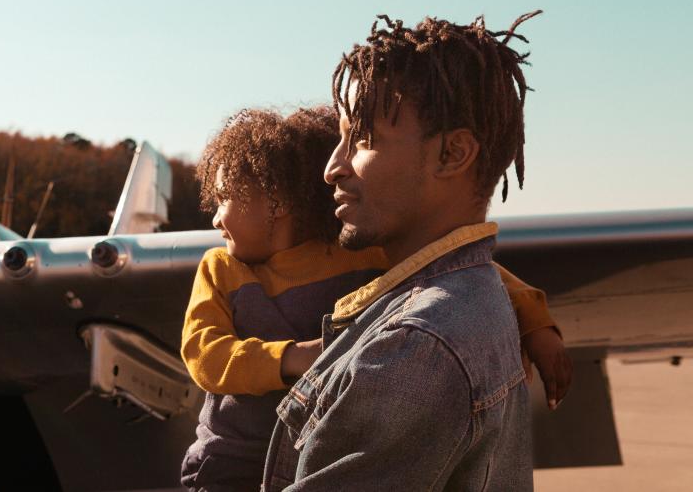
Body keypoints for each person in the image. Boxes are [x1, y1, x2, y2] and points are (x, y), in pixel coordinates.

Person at [181, 106, 569, 492]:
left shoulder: (358, 254)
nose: (215, 218)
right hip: (228, 464)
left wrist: (537, 323)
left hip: (311, 462)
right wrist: (294, 358)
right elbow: (205, 355)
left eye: (223, 199)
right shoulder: (219, 269)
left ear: (276, 202)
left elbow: (456, 265)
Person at [263, 13, 549, 491]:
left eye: (363, 139)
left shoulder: (416, 347)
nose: (333, 167)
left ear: (453, 154)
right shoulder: (467, 305)